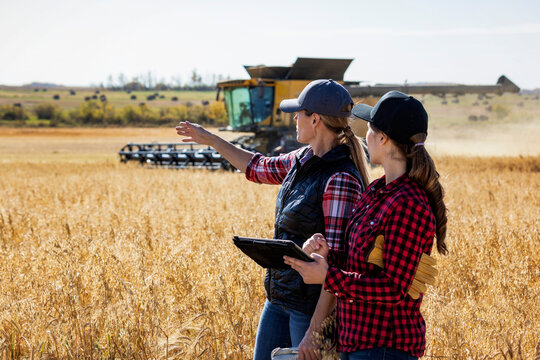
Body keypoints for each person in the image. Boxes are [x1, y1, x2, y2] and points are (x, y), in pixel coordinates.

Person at [175, 79, 370, 360]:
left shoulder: (340, 179)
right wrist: (211, 139)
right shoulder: (301, 158)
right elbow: (257, 167)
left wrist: (315, 333)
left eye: (299, 113)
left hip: (310, 308)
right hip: (279, 299)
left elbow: (337, 265)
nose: (294, 118)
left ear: (315, 120)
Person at [285, 91, 448, 360]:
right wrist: (324, 255)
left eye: (370, 131)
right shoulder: (375, 191)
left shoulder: (408, 204)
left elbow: (393, 288)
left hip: (385, 346)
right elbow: (355, 263)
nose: (365, 137)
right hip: (355, 342)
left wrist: (328, 276)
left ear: (383, 138)